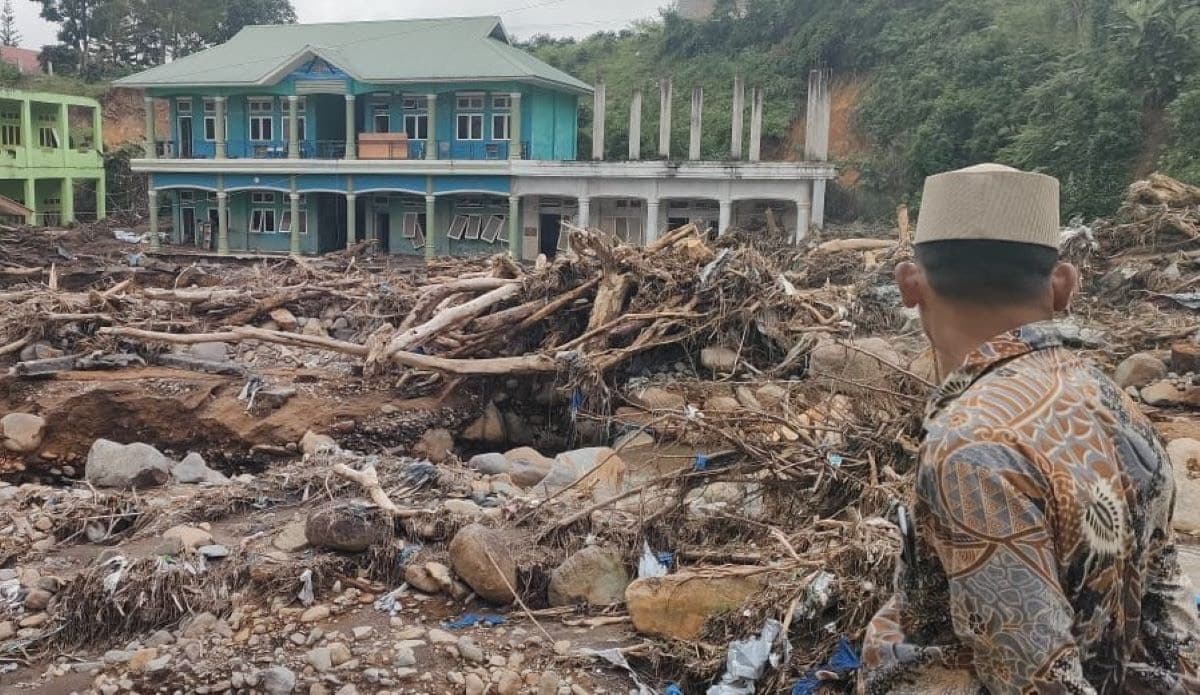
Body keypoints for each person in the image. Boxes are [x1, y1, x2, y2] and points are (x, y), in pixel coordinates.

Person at [857, 163, 1200, 694]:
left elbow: (1040, 684)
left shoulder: (971, 450)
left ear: (908, 285)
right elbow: (1166, 617)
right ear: (1064, 286)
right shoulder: (1109, 398)